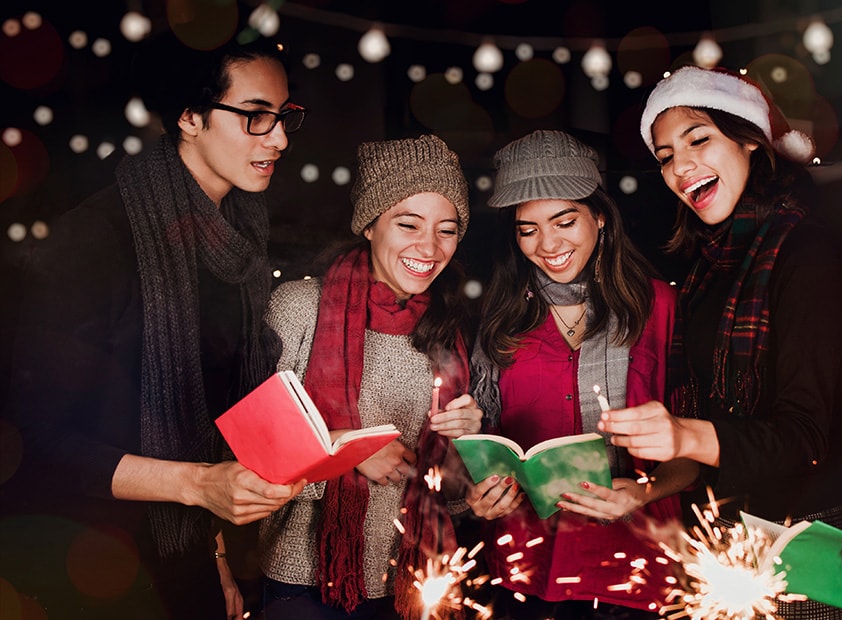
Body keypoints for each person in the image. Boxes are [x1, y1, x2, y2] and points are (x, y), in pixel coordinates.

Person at [0, 35, 307, 619]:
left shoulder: (240, 241)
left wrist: (212, 555)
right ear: (190, 117)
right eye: (255, 117)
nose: (280, 138)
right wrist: (197, 486)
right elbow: (36, 444)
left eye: (285, 116)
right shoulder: (93, 242)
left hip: (184, 555)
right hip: (86, 565)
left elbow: (204, 423)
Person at [599, 66, 842, 619]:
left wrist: (684, 434)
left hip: (807, 550)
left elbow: (805, 438)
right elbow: (704, 430)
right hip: (723, 543)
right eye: (666, 155)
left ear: (748, 140)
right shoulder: (704, 269)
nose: (681, 166)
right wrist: (644, 487)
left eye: (699, 140)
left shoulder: (806, 253)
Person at [467, 129, 697, 619]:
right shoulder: (498, 319)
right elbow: (479, 449)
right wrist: (479, 495)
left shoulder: (661, 307)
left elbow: (698, 447)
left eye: (564, 220)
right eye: (527, 229)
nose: (547, 244)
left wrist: (647, 490)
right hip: (524, 571)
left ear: (598, 216)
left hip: (640, 571)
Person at [258, 135, 483, 620]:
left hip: (413, 582)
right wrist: (347, 449)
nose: (430, 247)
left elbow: (451, 492)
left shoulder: (451, 329)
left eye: (447, 230)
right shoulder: (300, 307)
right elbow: (253, 452)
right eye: (408, 224)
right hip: (305, 580)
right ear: (370, 224)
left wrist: (468, 449)